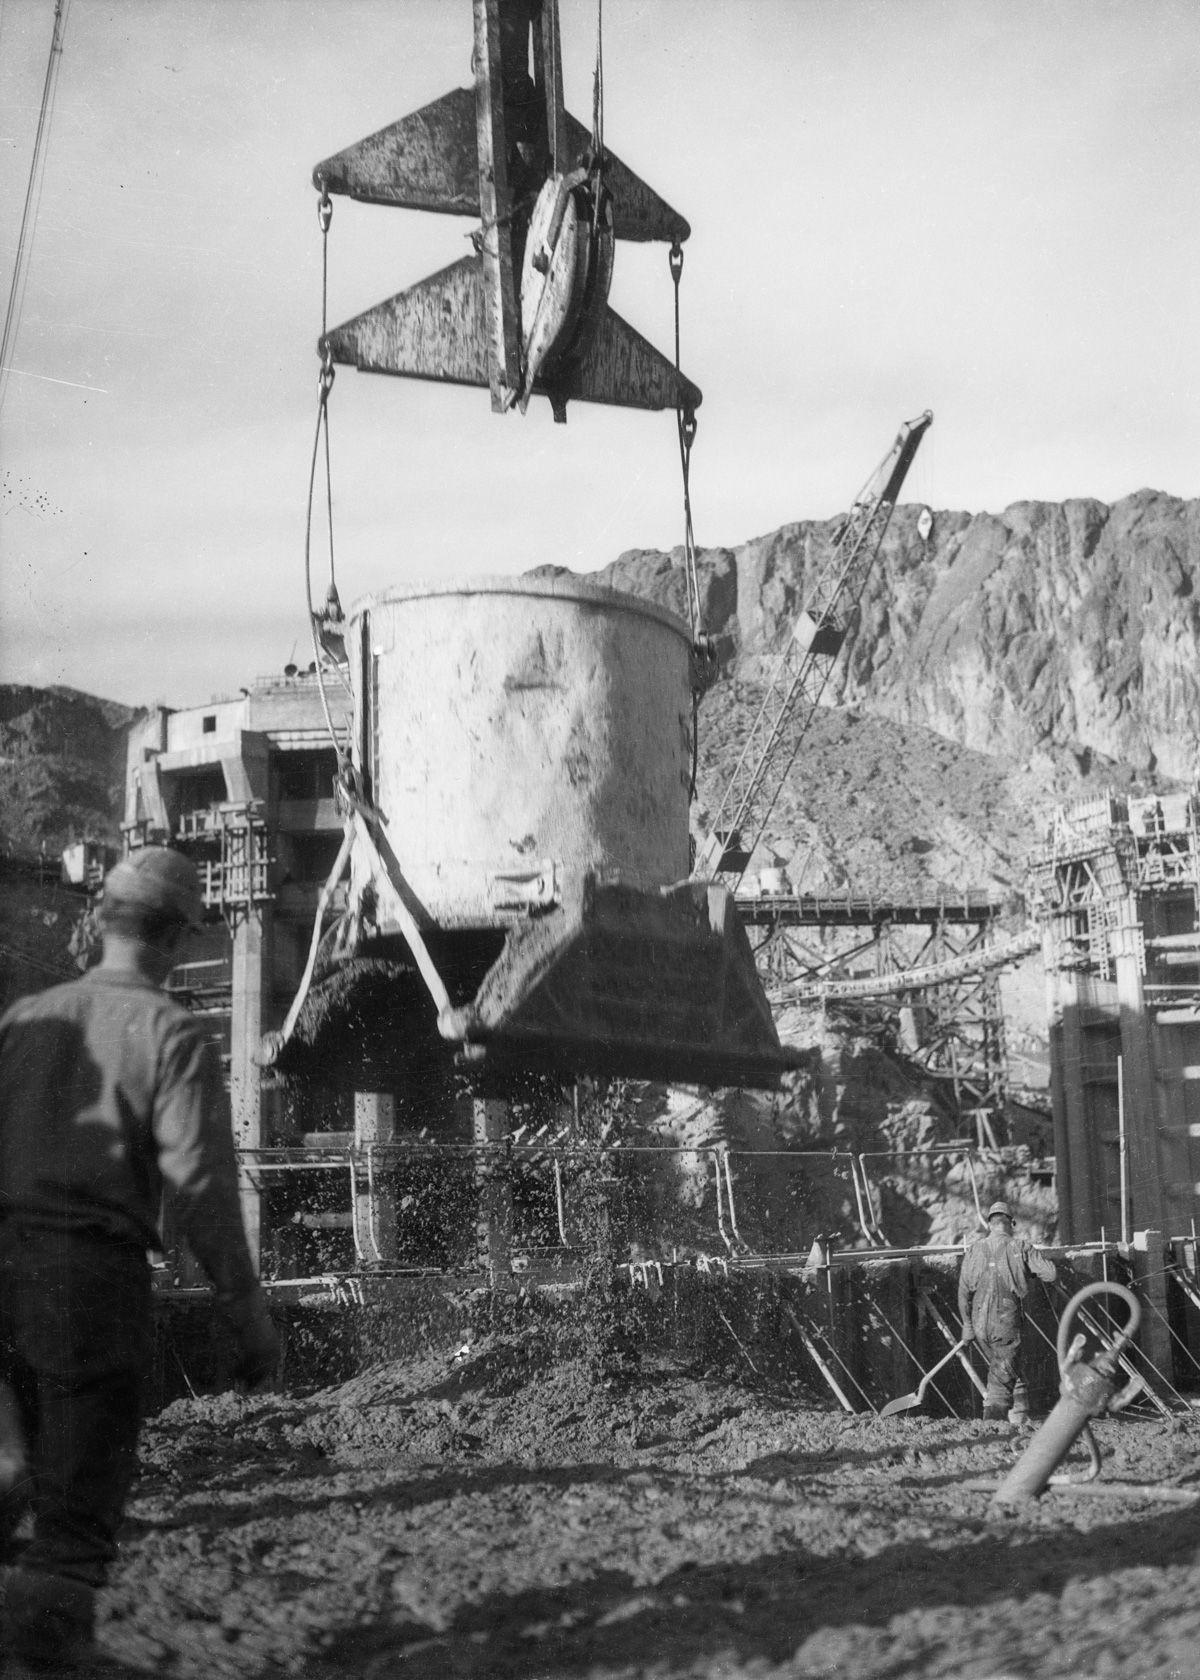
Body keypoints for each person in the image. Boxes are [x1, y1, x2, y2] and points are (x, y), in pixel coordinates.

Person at [0, 847, 280, 1671]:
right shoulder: (171, 1031)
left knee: (8, 1464)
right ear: (179, 938)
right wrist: (247, 1315)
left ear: (103, 923)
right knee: (74, 1525)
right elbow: (197, 1188)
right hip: (86, 1281)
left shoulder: (20, 1022)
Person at [958, 1198, 1056, 1422]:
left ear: (990, 1224)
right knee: (1001, 1383)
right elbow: (1050, 1274)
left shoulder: (974, 1250)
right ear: (1010, 1224)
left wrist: (967, 1325)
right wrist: (1030, 1267)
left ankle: (1019, 1421)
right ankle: (992, 1429)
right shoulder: (1021, 1247)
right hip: (1005, 1323)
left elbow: (964, 1292)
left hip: (979, 1323)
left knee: (1007, 1369)